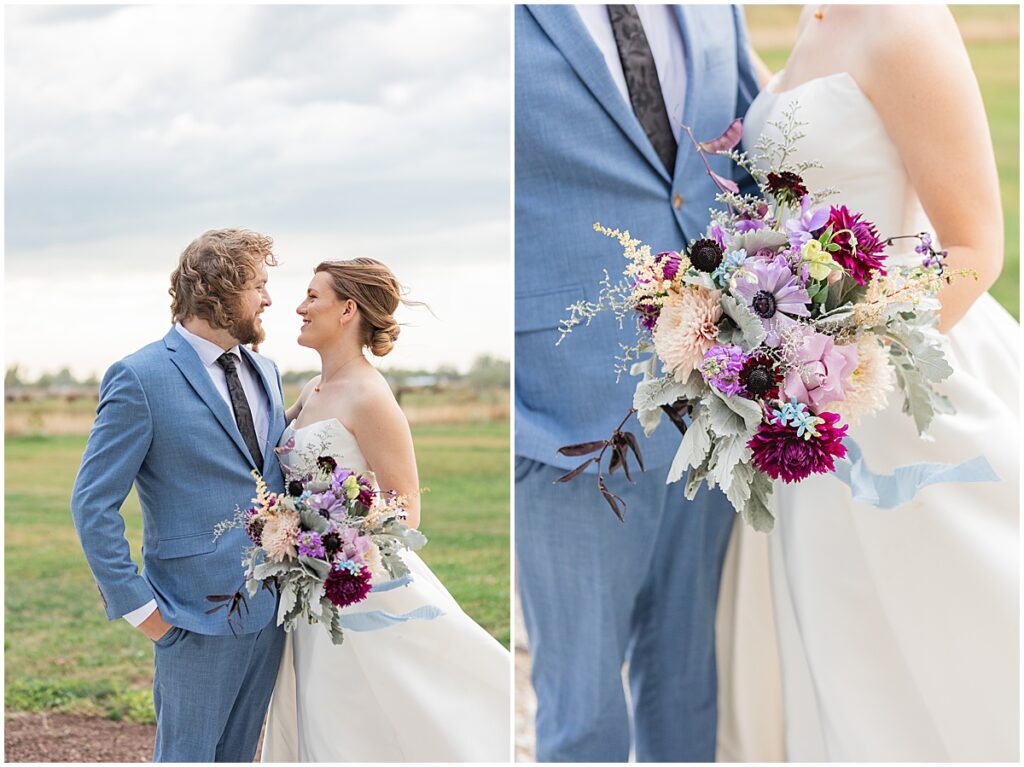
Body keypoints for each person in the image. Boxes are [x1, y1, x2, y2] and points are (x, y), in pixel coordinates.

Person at [735, 5, 1019, 760]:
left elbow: (974, 245)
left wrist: (846, 361)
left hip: (898, 394)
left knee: (943, 656)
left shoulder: (906, 22)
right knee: (846, 649)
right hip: (804, 409)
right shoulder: (813, 16)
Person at [514, 5, 760, 761]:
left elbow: (756, 149)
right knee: (582, 709)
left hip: (719, 395)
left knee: (688, 683)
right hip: (567, 410)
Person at [260, 257, 510, 762]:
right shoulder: (312, 388)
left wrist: (338, 550)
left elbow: (405, 503)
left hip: (353, 586)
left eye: (312, 296)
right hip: (307, 584)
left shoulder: (371, 396)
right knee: (325, 714)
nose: (299, 307)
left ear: (348, 309)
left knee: (367, 718)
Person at [70, 228, 287, 762]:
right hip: (190, 619)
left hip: (272, 614)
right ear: (220, 289)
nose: (268, 299)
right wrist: (141, 610)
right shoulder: (139, 378)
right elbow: (92, 504)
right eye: (258, 285)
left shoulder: (267, 371)